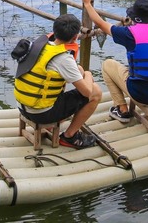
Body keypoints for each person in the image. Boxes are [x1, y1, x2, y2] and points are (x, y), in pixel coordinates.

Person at [80, 0, 148, 124]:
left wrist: (87, 4)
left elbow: (100, 23)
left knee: (107, 65)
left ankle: (122, 109)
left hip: (141, 93)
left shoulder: (129, 34)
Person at [13, 14, 102, 148]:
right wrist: (88, 74)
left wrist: (79, 71)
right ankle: (69, 136)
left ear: (54, 31)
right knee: (95, 92)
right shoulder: (64, 58)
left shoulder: (38, 45)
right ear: (75, 37)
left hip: (23, 107)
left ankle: (51, 125)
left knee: (75, 74)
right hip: (41, 114)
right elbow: (87, 92)